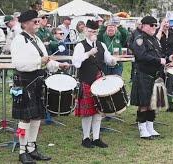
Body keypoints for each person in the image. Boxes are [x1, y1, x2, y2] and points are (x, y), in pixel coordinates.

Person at [10, 10, 69, 164]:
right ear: (25, 24)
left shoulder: (36, 39)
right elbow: (18, 64)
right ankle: (22, 152)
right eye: (35, 22)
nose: (38, 24)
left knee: (37, 116)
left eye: (38, 21)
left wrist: (58, 65)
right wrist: (40, 62)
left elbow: (46, 60)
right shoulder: (18, 40)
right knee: (25, 118)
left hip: (37, 81)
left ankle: (31, 147)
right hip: (24, 81)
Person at [72, 20, 117, 148]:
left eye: (95, 31)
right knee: (87, 113)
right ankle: (85, 138)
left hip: (99, 82)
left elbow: (108, 59)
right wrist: (88, 54)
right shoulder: (80, 46)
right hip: (86, 81)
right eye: (90, 31)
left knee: (98, 111)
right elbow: (76, 63)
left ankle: (96, 138)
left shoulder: (101, 44)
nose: (92, 33)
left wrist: (113, 61)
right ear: (86, 31)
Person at [130, 16, 166, 139]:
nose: (154, 28)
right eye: (151, 25)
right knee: (144, 103)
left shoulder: (155, 39)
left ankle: (150, 127)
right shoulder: (139, 39)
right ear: (143, 26)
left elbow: (159, 54)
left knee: (153, 102)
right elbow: (141, 56)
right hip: (143, 74)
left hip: (155, 75)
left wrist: (167, 58)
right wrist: (158, 60)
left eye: (155, 25)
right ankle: (142, 128)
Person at [156, 18, 173, 113]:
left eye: (167, 22)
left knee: (170, 83)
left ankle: (170, 105)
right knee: (159, 81)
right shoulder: (157, 32)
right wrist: (161, 28)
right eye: (164, 22)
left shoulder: (172, 34)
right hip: (159, 61)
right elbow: (156, 41)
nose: (166, 24)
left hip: (170, 61)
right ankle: (158, 103)